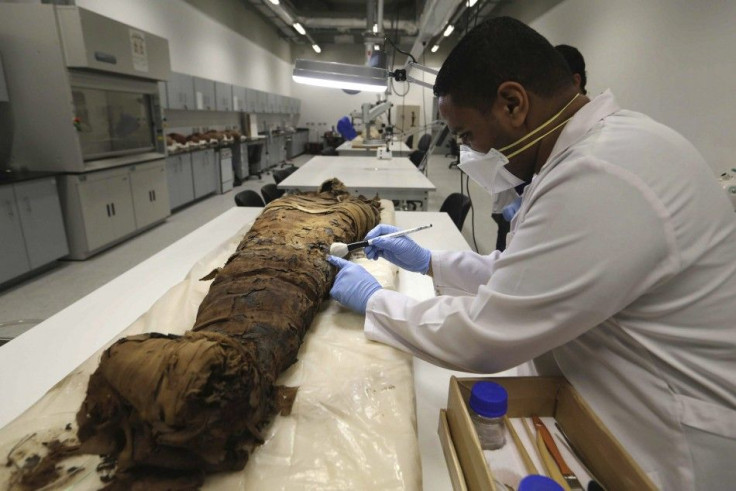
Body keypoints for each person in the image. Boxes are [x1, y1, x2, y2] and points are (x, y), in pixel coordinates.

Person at [327, 16, 736, 490]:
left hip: (668, 439)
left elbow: (486, 336)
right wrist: (430, 262)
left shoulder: (601, 176)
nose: (467, 152)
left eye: (466, 136)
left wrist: (377, 302)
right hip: (607, 399)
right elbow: (533, 272)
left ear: (513, 103)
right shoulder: (602, 150)